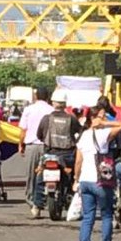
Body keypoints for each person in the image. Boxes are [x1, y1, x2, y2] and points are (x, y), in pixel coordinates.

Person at [72, 105, 121, 241]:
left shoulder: (83, 135)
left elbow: (78, 161)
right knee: (107, 214)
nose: (106, 118)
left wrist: (76, 179)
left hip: (85, 181)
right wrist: (106, 124)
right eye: (102, 115)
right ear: (95, 118)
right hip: (101, 180)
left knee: (88, 217)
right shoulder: (103, 134)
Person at [32, 90, 82, 218]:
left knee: (39, 178)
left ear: (53, 103)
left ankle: (37, 206)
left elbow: (39, 135)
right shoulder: (72, 119)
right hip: (68, 155)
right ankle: (70, 197)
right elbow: (80, 133)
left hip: (50, 154)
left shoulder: (46, 119)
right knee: (71, 178)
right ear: (65, 104)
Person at [18, 87, 54, 209]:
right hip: (48, 146)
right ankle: (46, 198)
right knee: (47, 173)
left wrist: (20, 144)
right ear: (48, 97)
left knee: (31, 174)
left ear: (36, 96)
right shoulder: (51, 110)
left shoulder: (29, 109)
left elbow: (23, 130)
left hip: (32, 146)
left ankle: (31, 199)